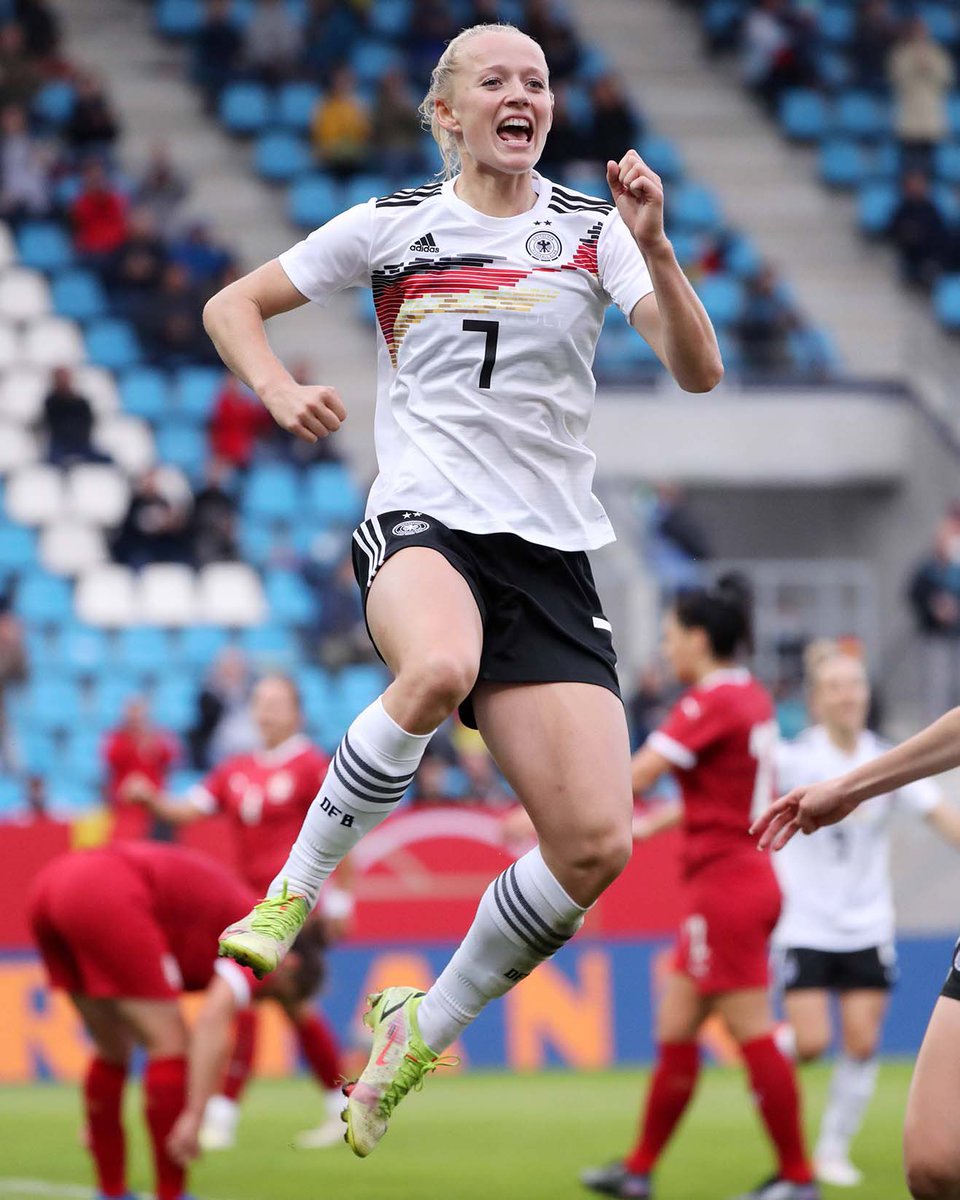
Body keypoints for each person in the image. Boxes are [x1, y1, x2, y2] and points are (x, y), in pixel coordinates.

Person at [203, 20, 721, 1161]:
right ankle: (292, 891)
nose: (520, 94)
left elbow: (699, 370)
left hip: (549, 555)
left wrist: (659, 247)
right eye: (495, 80)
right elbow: (230, 305)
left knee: (595, 847)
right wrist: (279, 390)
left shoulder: (595, 231)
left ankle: (418, 1031)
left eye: (536, 80)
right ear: (447, 113)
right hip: (424, 521)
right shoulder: (392, 225)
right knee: (439, 665)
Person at [581, 579, 816, 1200]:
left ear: (699, 638)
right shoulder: (750, 696)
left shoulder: (710, 701)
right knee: (677, 1024)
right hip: (740, 878)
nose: (666, 648)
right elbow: (721, 795)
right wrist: (654, 824)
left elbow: (637, 773)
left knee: (752, 1030)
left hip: (727, 887)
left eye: (670, 635)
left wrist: (547, 806)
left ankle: (798, 1177)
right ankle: (638, 1170)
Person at [28, 841, 324, 1200]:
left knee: (112, 1048)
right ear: (289, 966)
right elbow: (213, 1020)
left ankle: (110, 1191)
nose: (259, 1000)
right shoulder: (269, 941)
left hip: (52, 885)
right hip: (107, 891)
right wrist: (195, 1116)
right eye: (275, 996)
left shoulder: (236, 912)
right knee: (170, 1046)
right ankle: (171, 1193)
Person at [129, 674, 350, 1151]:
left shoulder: (311, 765)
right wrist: (151, 800)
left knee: (238, 998)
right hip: (247, 908)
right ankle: (341, 1106)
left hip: (290, 906)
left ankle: (220, 1115)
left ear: (298, 712)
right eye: (260, 702)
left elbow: (343, 829)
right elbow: (186, 810)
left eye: (277, 702)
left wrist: (341, 900)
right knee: (289, 1006)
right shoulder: (236, 769)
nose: (267, 711)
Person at [754, 708, 960, 1200]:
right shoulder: (796, 757)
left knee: (862, 1042)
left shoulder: (875, 749)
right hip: (807, 921)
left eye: (854, 687)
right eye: (836, 688)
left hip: (867, 925)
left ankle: (831, 1150)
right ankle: (761, 1055)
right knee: (931, 1167)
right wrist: (848, 789)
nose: (847, 698)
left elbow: (936, 812)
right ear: (817, 699)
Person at [102, 695, 179, 842]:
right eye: (133, 711)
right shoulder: (117, 738)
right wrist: (134, 743)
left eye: (140, 712)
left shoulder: (159, 737)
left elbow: (171, 759)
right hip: (126, 810)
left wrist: (152, 744)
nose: (136, 717)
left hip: (155, 809)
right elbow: (111, 759)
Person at [908, 511, 960, 721]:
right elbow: (914, 594)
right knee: (936, 688)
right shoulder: (927, 569)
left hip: (957, 636)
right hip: (935, 637)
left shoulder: (956, 569)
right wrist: (934, 607)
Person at [889, 17, 954, 177]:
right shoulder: (901, 54)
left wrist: (929, 67)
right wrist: (914, 66)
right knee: (909, 167)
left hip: (930, 117)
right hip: (909, 117)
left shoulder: (937, 53)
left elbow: (946, 79)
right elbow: (897, 79)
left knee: (929, 167)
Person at [888, 171, 949, 289]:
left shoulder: (931, 209)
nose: (918, 187)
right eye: (914, 183)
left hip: (931, 255)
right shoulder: (902, 209)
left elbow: (940, 234)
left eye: (920, 183)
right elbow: (892, 232)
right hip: (910, 256)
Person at [41, 366, 110, 466]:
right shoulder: (50, 402)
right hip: (59, 445)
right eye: (60, 379)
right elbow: (53, 425)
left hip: (81, 443)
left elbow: (87, 423)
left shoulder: (81, 402)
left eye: (65, 378)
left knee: (106, 460)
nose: (63, 382)